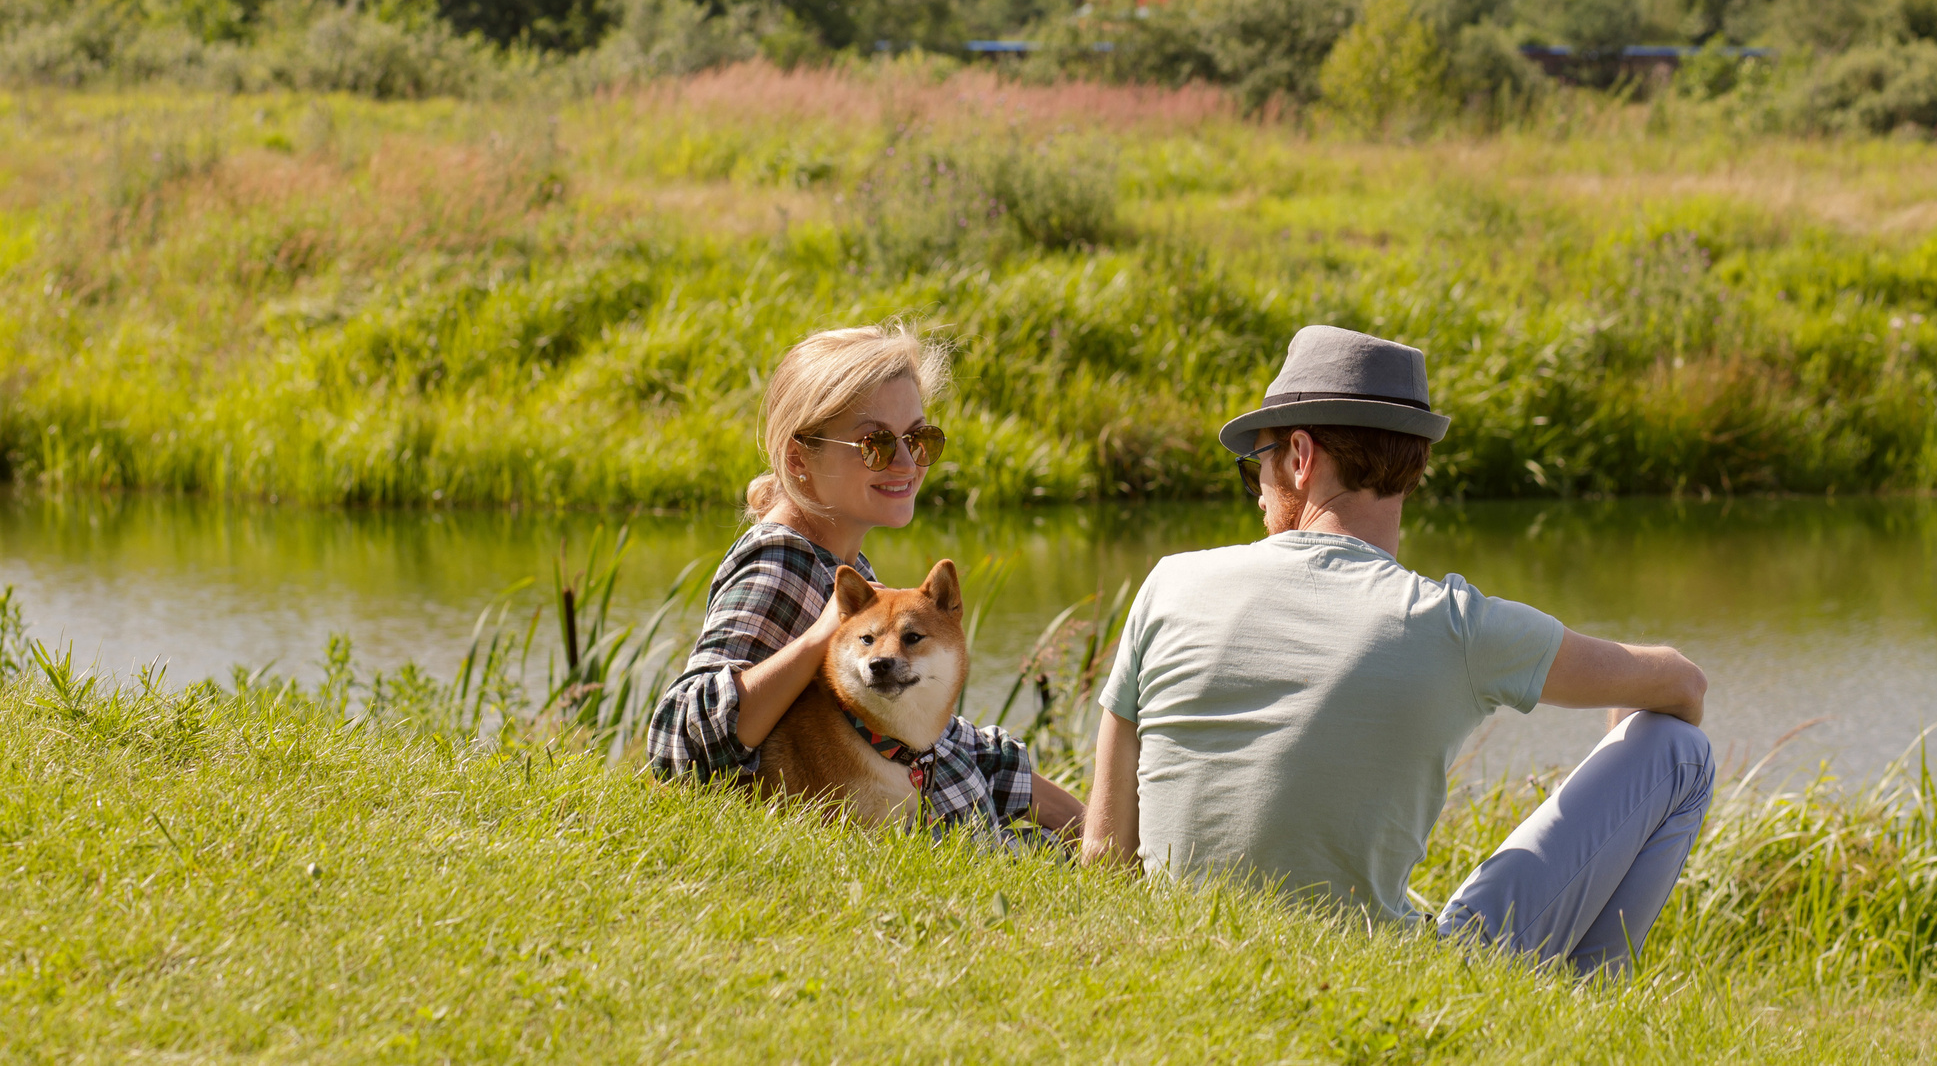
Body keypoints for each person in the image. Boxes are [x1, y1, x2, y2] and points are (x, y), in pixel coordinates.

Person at [1080, 325, 1714, 976]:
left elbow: (1104, 854)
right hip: (1386, 975)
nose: (1260, 489)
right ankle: (1585, 1007)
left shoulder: (1167, 585)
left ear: (1300, 454)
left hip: (1186, 961)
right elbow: (1683, 684)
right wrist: (1623, 722)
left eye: (1258, 464)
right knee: (1680, 751)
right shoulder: (1456, 624)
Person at [647, 322, 1084, 834]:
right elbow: (677, 744)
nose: (905, 462)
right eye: (874, 443)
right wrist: (819, 636)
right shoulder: (782, 564)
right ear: (799, 459)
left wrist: (1087, 821)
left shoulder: (836, 559)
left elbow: (928, 739)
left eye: (919, 438)